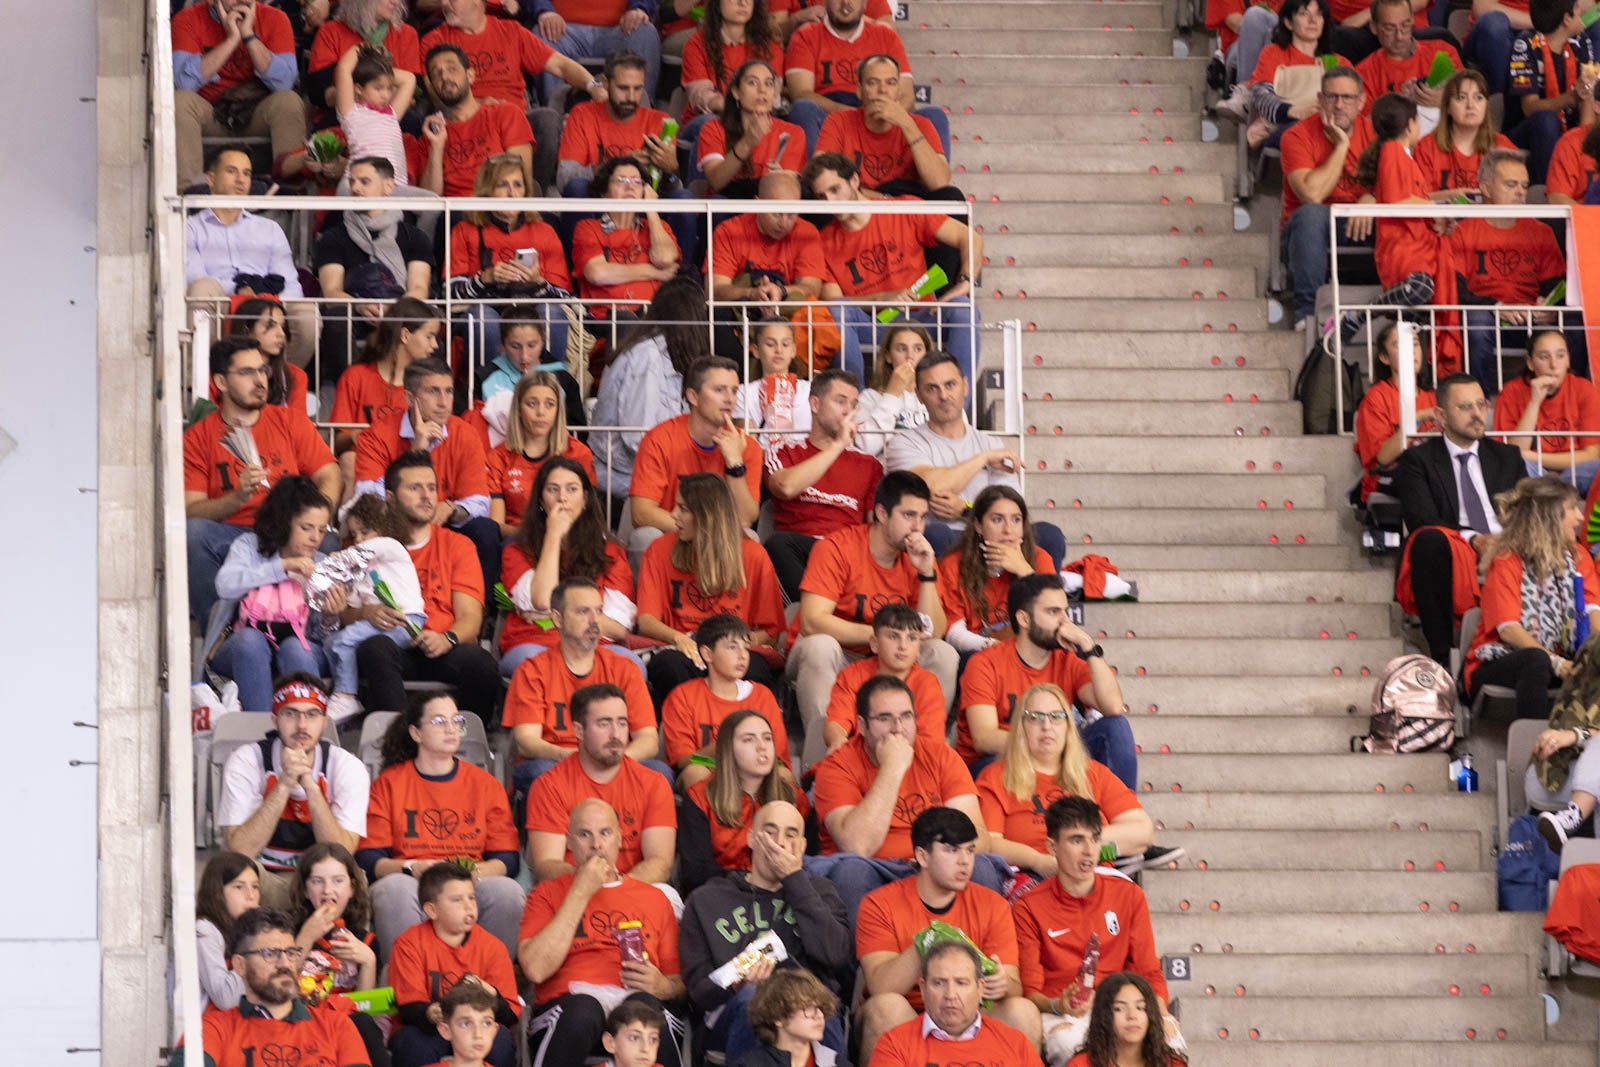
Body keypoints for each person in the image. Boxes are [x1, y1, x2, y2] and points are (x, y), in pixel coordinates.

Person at [787, 470, 958, 770]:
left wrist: (927, 574)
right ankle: (827, 760)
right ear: (881, 512)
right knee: (819, 646)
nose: (917, 527)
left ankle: (921, 756)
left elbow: (935, 632)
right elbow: (812, 621)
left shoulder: (918, 557)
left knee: (943, 654)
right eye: (908, 515)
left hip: (891, 661)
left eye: (922, 517)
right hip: (840, 654)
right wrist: (884, 636)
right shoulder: (837, 547)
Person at [854, 808, 1039, 1064]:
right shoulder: (879, 903)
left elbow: (1015, 986)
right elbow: (880, 988)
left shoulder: (992, 904)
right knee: (885, 1008)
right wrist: (930, 940)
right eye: (952, 850)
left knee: (1023, 1011)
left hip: (970, 1011)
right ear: (922, 856)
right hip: (909, 1015)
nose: (965, 861)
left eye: (970, 850)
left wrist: (1001, 983)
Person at [809, 676, 1004, 913]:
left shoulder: (941, 756)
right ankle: (865, 952)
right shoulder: (837, 766)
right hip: (874, 869)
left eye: (906, 716)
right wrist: (893, 768)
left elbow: (978, 838)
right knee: (852, 872)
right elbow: (857, 846)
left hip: (934, 866)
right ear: (861, 725)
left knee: (982, 867)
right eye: (884, 718)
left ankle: (976, 950)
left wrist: (934, 861)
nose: (898, 728)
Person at [681, 801, 854, 1063]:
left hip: (810, 1009)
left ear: (803, 846)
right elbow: (698, 993)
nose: (780, 843)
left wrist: (794, 879)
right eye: (770, 832)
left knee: (818, 1005)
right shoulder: (708, 899)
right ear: (751, 838)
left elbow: (835, 956)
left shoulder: (820, 892)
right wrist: (738, 980)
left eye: (791, 834)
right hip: (732, 1011)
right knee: (755, 998)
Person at [518, 799, 687, 1067]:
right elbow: (536, 970)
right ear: (569, 843)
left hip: (635, 1011)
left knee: (646, 1006)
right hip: (569, 1011)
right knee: (585, 1009)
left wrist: (664, 986)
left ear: (620, 839)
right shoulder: (546, 894)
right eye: (585, 834)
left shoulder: (654, 898)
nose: (596, 844)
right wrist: (581, 891)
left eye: (605, 833)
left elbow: (678, 983)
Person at [357, 692, 526, 960]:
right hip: (413, 882)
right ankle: (406, 982)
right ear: (416, 733)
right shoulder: (389, 783)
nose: (451, 728)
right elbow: (369, 857)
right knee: (393, 889)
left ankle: (492, 986)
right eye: (438, 721)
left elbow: (507, 858)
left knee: (507, 892)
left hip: (470, 883)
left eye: (456, 720)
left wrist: (473, 873)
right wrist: (410, 867)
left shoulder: (484, 784)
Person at [185, 339, 341, 623]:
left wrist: (318, 518)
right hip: (233, 533)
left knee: (328, 541)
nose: (259, 380)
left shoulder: (289, 420)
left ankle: (313, 638)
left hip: (287, 532)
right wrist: (238, 497)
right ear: (220, 381)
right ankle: (218, 633)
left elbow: (329, 472)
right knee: (192, 533)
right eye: (247, 372)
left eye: (263, 370)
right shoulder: (198, 436)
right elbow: (191, 508)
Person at [1015, 797, 1177, 1066]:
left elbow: (1149, 972)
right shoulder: (1028, 906)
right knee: (1072, 1046)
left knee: (1172, 1044)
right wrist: (1059, 1005)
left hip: (1124, 1007)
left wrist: (1159, 1016)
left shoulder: (1128, 895)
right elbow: (1030, 992)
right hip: (1066, 1014)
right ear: (1052, 847)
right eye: (1077, 840)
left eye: (1094, 839)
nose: (1089, 850)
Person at [805, 153, 981, 384]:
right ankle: (852, 407)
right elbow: (833, 302)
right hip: (874, 325)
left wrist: (965, 281)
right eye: (821, 196)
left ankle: (958, 404)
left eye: (835, 189)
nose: (830, 202)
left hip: (920, 319)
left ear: (855, 181)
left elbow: (970, 238)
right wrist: (883, 298)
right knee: (839, 311)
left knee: (962, 308)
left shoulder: (903, 207)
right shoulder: (823, 241)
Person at [351, 452, 501, 717]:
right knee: (374, 648)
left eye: (432, 488)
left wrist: (448, 638)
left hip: (442, 647)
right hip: (392, 647)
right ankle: (397, 740)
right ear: (390, 497)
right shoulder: (370, 545)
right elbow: (343, 613)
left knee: (482, 665)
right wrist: (366, 613)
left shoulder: (458, 545)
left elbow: (470, 617)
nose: (427, 495)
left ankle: (464, 744)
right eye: (414, 487)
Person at [1392, 372, 1527, 666]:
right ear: (1440, 415)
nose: (1477, 414)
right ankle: (1442, 657)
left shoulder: (1508, 456)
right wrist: (1474, 538)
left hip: (1509, 542)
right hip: (1457, 544)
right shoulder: (1419, 460)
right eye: (1465, 407)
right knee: (1427, 541)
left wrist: (1507, 539)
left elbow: (1527, 512)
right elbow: (1421, 518)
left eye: (1481, 404)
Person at [885, 351, 1065, 564]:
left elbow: (1011, 510)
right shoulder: (905, 442)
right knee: (937, 534)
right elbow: (930, 486)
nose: (943, 395)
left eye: (950, 385)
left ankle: (1041, 596)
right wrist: (982, 459)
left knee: (1049, 534)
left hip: (989, 536)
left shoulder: (991, 444)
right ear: (919, 395)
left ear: (965, 386)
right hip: (942, 539)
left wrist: (964, 509)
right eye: (932, 388)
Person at [959, 573, 1136, 786]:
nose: (1065, 621)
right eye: (1054, 612)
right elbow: (984, 738)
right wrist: (1045, 746)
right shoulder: (985, 663)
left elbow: (1114, 707)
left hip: (1055, 753)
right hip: (1001, 760)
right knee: (995, 766)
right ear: (1024, 619)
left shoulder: (1067, 660)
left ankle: (1122, 814)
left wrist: (1088, 646)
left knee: (1115, 727)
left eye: (1065, 611)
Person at [976, 683, 1154, 895]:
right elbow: (988, 844)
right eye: (1035, 717)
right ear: (1021, 726)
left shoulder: (1093, 773)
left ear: (1069, 727)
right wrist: (1037, 860)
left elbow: (1142, 832)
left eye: (1057, 716)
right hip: (1030, 876)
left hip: (1093, 876)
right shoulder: (996, 777)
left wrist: (1077, 847)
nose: (1047, 726)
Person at [215, 676, 369, 909]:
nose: (301, 726)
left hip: (319, 882)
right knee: (232, 871)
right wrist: (285, 783)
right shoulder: (248, 760)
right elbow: (240, 850)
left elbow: (342, 853)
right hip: (262, 877)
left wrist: (309, 785)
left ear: (325, 721)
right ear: (274, 719)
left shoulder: (346, 766)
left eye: (312, 715)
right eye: (290, 714)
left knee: (354, 878)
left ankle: (345, 944)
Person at [501, 578, 664, 793]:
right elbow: (527, 741)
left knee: (659, 773)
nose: (595, 620)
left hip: (615, 760)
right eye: (583, 612)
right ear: (557, 619)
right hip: (557, 761)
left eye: (598, 611)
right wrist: (576, 760)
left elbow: (649, 741)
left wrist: (609, 762)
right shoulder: (532, 670)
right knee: (538, 771)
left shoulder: (625, 669)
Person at [351, 359, 500, 589]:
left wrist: (452, 509)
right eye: (433, 392)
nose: (443, 402)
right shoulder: (376, 435)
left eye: (448, 391)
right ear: (410, 398)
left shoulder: (465, 434)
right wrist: (417, 450)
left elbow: (480, 503)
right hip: (394, 525)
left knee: (486, 531)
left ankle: (483, 616)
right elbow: (368, 501)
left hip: (445, 525)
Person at [421, 0, 603, 188]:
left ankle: (532, 190)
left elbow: (561, 65)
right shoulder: (434, 41)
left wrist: (595, 86)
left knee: (546, 120)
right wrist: (477, 104)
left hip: (515, 121)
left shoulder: (510, 31)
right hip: (465, 120)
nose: (444, 4)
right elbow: (437, 94)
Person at [1462, 476, 1600, 719]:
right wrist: (1556, 662)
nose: (1580, 517)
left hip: (1561, 662)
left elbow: (1593, 611)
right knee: (1536, 660)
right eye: (1571, 509)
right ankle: (1534, 750)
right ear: (1549, 515)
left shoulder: (1579, 556)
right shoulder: (1507, 560)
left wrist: (1592, 653)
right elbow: (1509, 631)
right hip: (1499, 661)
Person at [637, 473, 785, 699]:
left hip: (734, 649)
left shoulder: (753, 556)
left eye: (683, 509)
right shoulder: (659, 550)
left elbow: (771, 632)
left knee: (755, 670)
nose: (673, 516)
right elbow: (646, 620)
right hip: (681, 649)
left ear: (708, 516)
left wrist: (731, 646)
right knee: (668, 666)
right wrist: (680, 639)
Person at [203, 477, 339, 713]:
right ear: (284, 522)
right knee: (250, 641)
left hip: (301, 650)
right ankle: (263, 736)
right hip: (240, 644)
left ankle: (306, 731)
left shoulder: (321, 564)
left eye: (321, 530)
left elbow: (321, 638)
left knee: (296, 647)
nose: (316, 538)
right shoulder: (249, 546)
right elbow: (224, 585)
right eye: (306, 528)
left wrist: (330, 618)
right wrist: (282, 567)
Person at [168, 908, 368, 1067]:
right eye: (269, 953)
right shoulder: (214, 1028)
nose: (284, 963)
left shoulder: (337, 1026)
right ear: (240, 965)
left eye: (290, 952)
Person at [523, 684, 678, 885]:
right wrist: (589, 881)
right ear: (579, 730)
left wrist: (617, 884)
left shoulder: (653, 783)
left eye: (622, 723)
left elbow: (660, 863)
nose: (616, 734)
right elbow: (547, 865)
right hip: (573, 889)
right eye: (604, 724)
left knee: (668, 895)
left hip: (634, 887)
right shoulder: (549, 786)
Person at [499, 459, 637, 675]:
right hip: (535, 645)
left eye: (572, 489)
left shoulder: (611, 553)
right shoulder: (516, 552)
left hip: (596, 649)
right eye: (553, 490)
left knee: (632, 665)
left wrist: (553, 615)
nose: (562, 498)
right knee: (526, 662)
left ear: (585, 499)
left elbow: (618, 627)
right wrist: (553, 535)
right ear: (541, 502)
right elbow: (543, 600)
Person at [185, 149, 317, 369]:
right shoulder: (190, 228)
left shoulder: (269, 228)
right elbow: (194, 279)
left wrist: (260, 297)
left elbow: (290, 285)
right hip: (222, 304)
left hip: (267, 306)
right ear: (211, 178)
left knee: (306, 312)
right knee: (202, 287)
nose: (241, 179)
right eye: (232, 171)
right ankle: (200, 383)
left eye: (247, 173)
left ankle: (278, 383)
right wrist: (238, 289)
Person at [1452, 152, 1568, 396]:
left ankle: (1563, 401)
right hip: (1485, 318)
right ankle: (1477, 400)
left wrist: (1549, 307)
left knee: (1571, 322)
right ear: (1485, 188)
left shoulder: (1541, 231)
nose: (1520, 193)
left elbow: (1557, 286)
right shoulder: (1464, 230)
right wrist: (1496, 306)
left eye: (1525, 186)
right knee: (1477, 320)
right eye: (1510, 185)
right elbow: (1454, 289)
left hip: (1530, 322)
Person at [446, 154, 573, 375]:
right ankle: (485, 395)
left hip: (531, 310)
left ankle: (549, 391)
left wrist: (537, 282)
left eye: (518, 185)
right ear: (487, 190)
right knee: (484, 318)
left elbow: (567, 301)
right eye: (502, 185)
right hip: (485, 312)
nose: (512, 193)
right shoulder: (464, 230)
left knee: (552, 313)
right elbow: (449, 295)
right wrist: (486, 278)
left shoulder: (544, 231)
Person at [763, 367, 882, 599]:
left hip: (847, 554)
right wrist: (837, 446)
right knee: (777, 545)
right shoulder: (784, 450)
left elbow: (876, 526)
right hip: (801, 550)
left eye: (854, 404)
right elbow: (785, 488)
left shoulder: (870, 465)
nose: (848, 411)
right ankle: (816, 615)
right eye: (840, 401)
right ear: (815, 405)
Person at [386, 864, 521, 1067]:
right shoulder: (409, 943)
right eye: (457, 900)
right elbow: (408, 1009)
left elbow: (509, 1014)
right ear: (432, 910)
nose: (469, 906)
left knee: (499, 1041)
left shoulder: (493, 947)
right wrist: (430, 1013)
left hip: (476, 1029)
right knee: (412, 1042)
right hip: (429, 1030)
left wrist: (492, 993)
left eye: (471, 898)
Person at [314, 160, 437, 381]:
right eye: (352, 182)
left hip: (399, 314)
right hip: (356, 315)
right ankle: (346, 387)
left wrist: (393, 311)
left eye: (364, 181)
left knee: (428, 319)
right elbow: (332, 292)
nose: (355, 189)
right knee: (338, 316)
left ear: (388, 187)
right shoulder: (333, 237)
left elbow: (419, 288)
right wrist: (360, 305)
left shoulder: (415, 237)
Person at [627, 358, 766, 553]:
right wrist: (701, 530)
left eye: (734, 391)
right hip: (671, 534)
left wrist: (735, 464)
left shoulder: (746, 446)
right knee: (645, 537)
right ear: (693, 396)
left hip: (719, 544)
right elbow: (641, 513)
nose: (730, 399)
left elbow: (745, 518)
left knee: (750, 539)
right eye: (719, 390)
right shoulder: (659, 438)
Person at [591, 277, 707, 504]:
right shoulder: (647, 356)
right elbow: (639, 438)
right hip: (621, 474)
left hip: (644, 469)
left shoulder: (663, 351)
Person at [1280, 66, 1376, 331]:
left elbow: (1398, 189)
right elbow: (1312, 195)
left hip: (1363, 223)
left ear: (1361, 102)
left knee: (1399, 220)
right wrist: (1342, 145)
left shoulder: (1376, 135)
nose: (1339, 105)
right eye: (1332, 97)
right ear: (1320, 100)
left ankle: (1401, 305)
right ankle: (1308, 315)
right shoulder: (1296, 136)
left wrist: (1370, 199)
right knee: (1313, 213)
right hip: (1312, 230)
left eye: (1347, 98)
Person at [172, 0, 306, 187]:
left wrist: (248, 36)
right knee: (180, 101)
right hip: (211, 112)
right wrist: (231, 39)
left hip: (254, 112)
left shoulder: (275, 18)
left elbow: (284, 83)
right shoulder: (187, 18)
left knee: (289, 101)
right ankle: (189, 195)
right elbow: (183, 83)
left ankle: (288, 197)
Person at [784, 0, 942, 155]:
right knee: (803, 108)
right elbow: (801, 93)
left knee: (934, 116)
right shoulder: (805, 35)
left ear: (866, 3)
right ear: (825, 2)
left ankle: (937, 181)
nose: (846, 3)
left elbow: (907, 95)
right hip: (830, 111)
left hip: (882, 110)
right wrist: (853, 115)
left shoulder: (886, 35)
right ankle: (814, 178)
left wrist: (888, 115)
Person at [320, 495, 426, 723]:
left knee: (342, 641)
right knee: (331, 642)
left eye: (364, 532)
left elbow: (366, 550)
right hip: (381, 624)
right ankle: (347, 691)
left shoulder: (391, 547)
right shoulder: (360, 569)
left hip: (407, 619)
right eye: (354, 534)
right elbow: (355, 607)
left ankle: (346, 694)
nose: (358, 539)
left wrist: (335, 561)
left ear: (383, 528)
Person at [679, 710, 810, 891]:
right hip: (723, 894)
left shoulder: (793, 798)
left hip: (783, 893)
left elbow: (810, 858)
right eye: (749, 740)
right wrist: (749, 880)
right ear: (728, 749)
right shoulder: (700, 797)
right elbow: (695, 871)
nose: (762, 747)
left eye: (767, 738)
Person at [867, 941, 1046, 1067]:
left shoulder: (1016, 1043)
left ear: (980, 988)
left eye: (961, 983)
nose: (950, 995)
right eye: (939, 983)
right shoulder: (894, 1045)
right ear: (923, 988)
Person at [661, 614, 790, 784]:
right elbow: (683, 761)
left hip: (755, 771)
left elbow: (779, 759)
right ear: (707, 654)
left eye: (746, 648)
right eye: (732, 647)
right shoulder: (682, 696)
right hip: (711, 769)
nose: (743, 655)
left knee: (784, 777)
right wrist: (725, 746)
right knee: (694, 773)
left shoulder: (762, 695)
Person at [330, 298, 441, 492]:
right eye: (429, 336)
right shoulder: (356, 376)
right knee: (349, 459)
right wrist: (355, 436)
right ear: (405, 335)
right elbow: (337, 443)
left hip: (410, 467)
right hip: (365, 467)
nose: (435, 345)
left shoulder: (428, 386)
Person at [938, 486, 1058, 655]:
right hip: (978, 648)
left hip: (1031, 646)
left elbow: (1054, 616)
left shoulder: (1040, 558)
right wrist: (996, 647)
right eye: (997, 520)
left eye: (1016, 520)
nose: (1008, 530)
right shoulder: (953, 564)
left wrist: (1025, 572)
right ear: (979, 526)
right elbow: (953, 632)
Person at [815, 55, 953, 196]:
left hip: (907, 209)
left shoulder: (919, 124)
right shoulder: (838, 121)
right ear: (859, 91)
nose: (882, 90)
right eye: (873, 82)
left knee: (951, 196)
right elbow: (819, 177)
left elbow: (940, 184)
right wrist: (881, 198)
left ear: (899, 91)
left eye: (891, 83)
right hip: (856, 204)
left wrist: (907, 125)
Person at [707, 171, 828, 332]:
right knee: (718, 315)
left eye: (791, 214)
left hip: (788, 319)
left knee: (815, 313)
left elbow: (812, 288)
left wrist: (780, 291)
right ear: (757, 204)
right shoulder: (729, 231)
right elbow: (715, 291)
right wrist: (752, 294)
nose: (784, 222)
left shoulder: (807, 232)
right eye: (776, 213)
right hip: (742, 316)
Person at [822, 603, 947, 753]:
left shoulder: (928, 683)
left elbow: (930, 741)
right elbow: (836, 724)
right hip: (859, 759)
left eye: (912, 638)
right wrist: (838, 741)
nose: (903, 646)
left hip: (910, 763)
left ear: (919, 649)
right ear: (874, 643)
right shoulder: (853, 674)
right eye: (893, 636)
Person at [414, 44, 535, 198]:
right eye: (437, 73)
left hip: (498, 207)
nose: (444, 77)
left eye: (452, 69)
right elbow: (429, 203)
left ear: (470, 75)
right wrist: (437, 148)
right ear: (433, 88)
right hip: (454, 215)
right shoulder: (430, 136)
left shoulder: (506, 114)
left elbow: (520, 182)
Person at [487, 372, 595, 538]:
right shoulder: (498, 457)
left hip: (570, 540)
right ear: (518, 409)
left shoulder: (579, 453)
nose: (541, 412)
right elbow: (496, 526)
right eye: (532, 404)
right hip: (518, 541)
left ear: (558, 410)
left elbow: (588, 515)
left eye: (549, 404)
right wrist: (538, 536)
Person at [557, 50, 677, 198]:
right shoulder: (582, 114)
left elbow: (674, 186)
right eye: (623, 88)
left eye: (638, 88)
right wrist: (618, 165)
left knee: (681, 196)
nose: (631, 97)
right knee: (577, 187)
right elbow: (565, 179)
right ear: (605, 83)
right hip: (598, 205)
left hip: (645, 206)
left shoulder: (660, 121)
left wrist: (671, 171)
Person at [572, 155, 684, 316]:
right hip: (608, 320)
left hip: (655, 317)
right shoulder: (588, 228)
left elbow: (664, 259)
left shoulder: (658, 227)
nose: (630, 187)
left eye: (637, 182)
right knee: (625, 319)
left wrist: (651, 210)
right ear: (604, 192)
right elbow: (598, 274)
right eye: (621, 181)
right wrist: (655, 272)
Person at [1492, 331, 1600, 489]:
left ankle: (1553, 493)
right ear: (1530, 363)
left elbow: (1591, 455)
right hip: (1534, 474)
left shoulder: (1584, 389)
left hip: (1574, 474)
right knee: (1519, 466)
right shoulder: (1510, 393)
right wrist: (1534, 402)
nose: (1554, 365)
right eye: (1544, 357)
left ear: (1568, 360)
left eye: (1560, 356)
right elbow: (1513, 455)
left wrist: (1536, 457)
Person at [1504, 0, 1596, 184]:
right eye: (1577, 8)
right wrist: (1570, 98)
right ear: (1566, 19)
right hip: (1525, 130)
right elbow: (1530, 108)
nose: (1581, 12)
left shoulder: (1581, 42)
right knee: (1546, 119)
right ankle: (1550, 191)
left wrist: (1581, 147)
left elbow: (1587, 96)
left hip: (1569, 129)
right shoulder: (1525, 44)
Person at [1354, 322, 1439, 504]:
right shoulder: (1375, 399)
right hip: (1388, 478)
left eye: (1415, 343)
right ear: (1385, 358)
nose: (1411, 350)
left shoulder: (1433, 397)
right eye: (1400, 345)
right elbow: (1384, 457)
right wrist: (1417, 418)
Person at [1246, 0, 1348, 148]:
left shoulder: (1339, 62)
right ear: (1288, 22)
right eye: (1304, 13)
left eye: (1319, 14)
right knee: (1301, 130)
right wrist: (1293, 111)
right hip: (1285, 128)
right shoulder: (1273, 53)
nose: (1313, 20)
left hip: (1329, 130)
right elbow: (1261, 96)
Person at [697, 59, 807, 194]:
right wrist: (747, 142)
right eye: (753, 82)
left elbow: (790, 190)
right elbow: (716, 181)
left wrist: (781, 178)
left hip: (771, 206)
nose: (762, 90)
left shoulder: (793, 133)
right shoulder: (713, 128)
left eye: (769, 84)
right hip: (728, 206)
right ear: (736, 92)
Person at [289, 842, 378, 1001]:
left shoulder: (365, 940)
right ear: (305, 890)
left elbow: (365, 1008)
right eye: (317, 881)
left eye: (337, 881)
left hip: (345, 1020)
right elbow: (279, 988)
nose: (327, 890)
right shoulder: (286, 931)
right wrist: (306, 937)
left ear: (352, 888)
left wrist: (368, 961)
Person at [532, 0, 664, 106]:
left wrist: (638, 9)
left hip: (620, 29)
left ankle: (641, 114)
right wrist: (545, 10)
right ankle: (553, 115)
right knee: (542, 33)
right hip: (564, 29)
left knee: (646, 32)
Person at [305, 0, 422, 110]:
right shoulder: (330, 32)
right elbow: (318, 95)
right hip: (340, 115)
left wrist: (360, 91)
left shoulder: (407, 34)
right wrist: (367, 95)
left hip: (393, 117)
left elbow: (414, 94)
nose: (395, 2)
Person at [1413, 70, 1515, 196]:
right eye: (1461, 98)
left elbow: (1513, 197)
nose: (1470, 105)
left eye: (1478, 98)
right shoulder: (1426, 147)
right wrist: (1454, 195)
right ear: (1448, 107)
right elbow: (1420, 200)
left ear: (1486, 105)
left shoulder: (1503, 146)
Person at [1352, 0, 1458, 118]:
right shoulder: (1364, 73)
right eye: (1389, 28)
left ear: (1412, 20)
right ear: (1374, 27)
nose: (1399, 36)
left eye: (1405, 25)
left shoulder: (1443, 51)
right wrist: (1401, 105)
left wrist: (1447, 101)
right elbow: (1365, 126)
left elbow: (1470, 96)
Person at [681, 0, 784, 122]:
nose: (743, 3)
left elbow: (773, 96)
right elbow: (701, 96)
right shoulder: (696, 44)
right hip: (712, 119)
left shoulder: (770, 45)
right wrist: (736, 108)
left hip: (756, 118)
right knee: (708, 121)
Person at [1063, 972, 1190, 1067]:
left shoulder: (1172, 1064)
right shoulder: (1081, 1064)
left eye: (1140, 1008)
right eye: (1119, 1009)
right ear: (1104, 1016)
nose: (1132, 1016)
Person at [335, 46, 417, 188]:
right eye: (378, 88)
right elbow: (344, 69)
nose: (385, 95)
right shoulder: (351, 112)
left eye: (390, 88)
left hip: (393, 186)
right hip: (359, 184)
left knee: (431, 205)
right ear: (359, 88)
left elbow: (409, 79)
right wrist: (365, 46)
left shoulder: (391, 113)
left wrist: (380, 69)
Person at [737, 968, 850, 1067]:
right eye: (808, 1008)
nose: (819, 1015)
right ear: (778, 1018)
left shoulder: (836, 1063)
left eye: (820, 1008)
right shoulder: (751, 1064)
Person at [195, 853, 262, 1011]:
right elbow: (226, 998)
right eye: (239, 887)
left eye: (255, 886)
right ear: (217, 891)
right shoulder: (204, 930)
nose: (251, 895)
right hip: (208, 1028)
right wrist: (255, 942)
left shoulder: (238, 928)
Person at [223, 296, 309, 418]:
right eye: (270, 326)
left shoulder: (296, 376)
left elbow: (299, 426)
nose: (281, 334)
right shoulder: (220, 374)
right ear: (247, 330)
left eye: (283, 327)